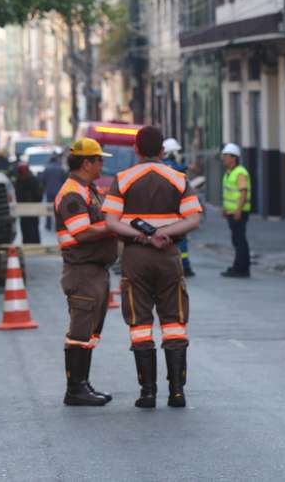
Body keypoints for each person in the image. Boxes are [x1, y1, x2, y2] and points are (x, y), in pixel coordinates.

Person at [102, 126, 202, 408]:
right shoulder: (179, 178)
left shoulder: (122, 179)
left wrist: (143, 235)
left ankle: (147, 393)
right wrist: (166, 233)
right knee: (174, 323)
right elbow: (193, 219)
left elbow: (111, 221)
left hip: (136, 256)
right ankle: (177, 392)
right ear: (161, 150)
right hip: (169, 255)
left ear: (136, 149)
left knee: (140, 324)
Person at [54, 138, 117, 406]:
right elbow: (82, 231)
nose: (102, 164)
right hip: (82, 270)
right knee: (80, 331)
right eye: (99, 159)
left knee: (89, 332)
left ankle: (83, 384)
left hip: (94, 270)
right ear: (87, 162)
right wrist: (114, 227)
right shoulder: (72, 193)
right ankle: (75, 389)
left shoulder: (87, 189)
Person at [162, 138, 196, 277]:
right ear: (172, 153)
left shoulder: (160, 166)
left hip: (164, 209)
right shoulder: (174, 167)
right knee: (181, 238)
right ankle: (184, 266)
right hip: (177, 208)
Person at [220, 142, 251, 278]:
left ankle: (242, 268)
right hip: (231, 213)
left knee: (240, 240)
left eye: (226, 156)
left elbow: (243, 193)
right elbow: (229, 194)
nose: (224, 159)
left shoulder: (240, 173)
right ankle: (238, 266)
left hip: (239, 212)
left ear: (234, 158)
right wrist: (225, 208)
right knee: (236, 240)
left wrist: (238, 210)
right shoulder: (229, 173)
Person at [15, 162, 42, 244]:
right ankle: (33, 243)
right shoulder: (30, 180)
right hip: (27, 208)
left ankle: (31, 243)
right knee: (30, 227)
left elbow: (38, 194)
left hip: (28, 208)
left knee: (29, 226)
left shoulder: (20, 181)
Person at [42, 153, 67, 231]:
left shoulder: (47, 168)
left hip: (49, 191)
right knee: (58, 209)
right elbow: (64, 180)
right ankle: (58, 225)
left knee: (49, 208)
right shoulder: (60, 168)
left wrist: (45, 188)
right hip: (58, 192)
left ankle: (48, 225)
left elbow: (43, 180)